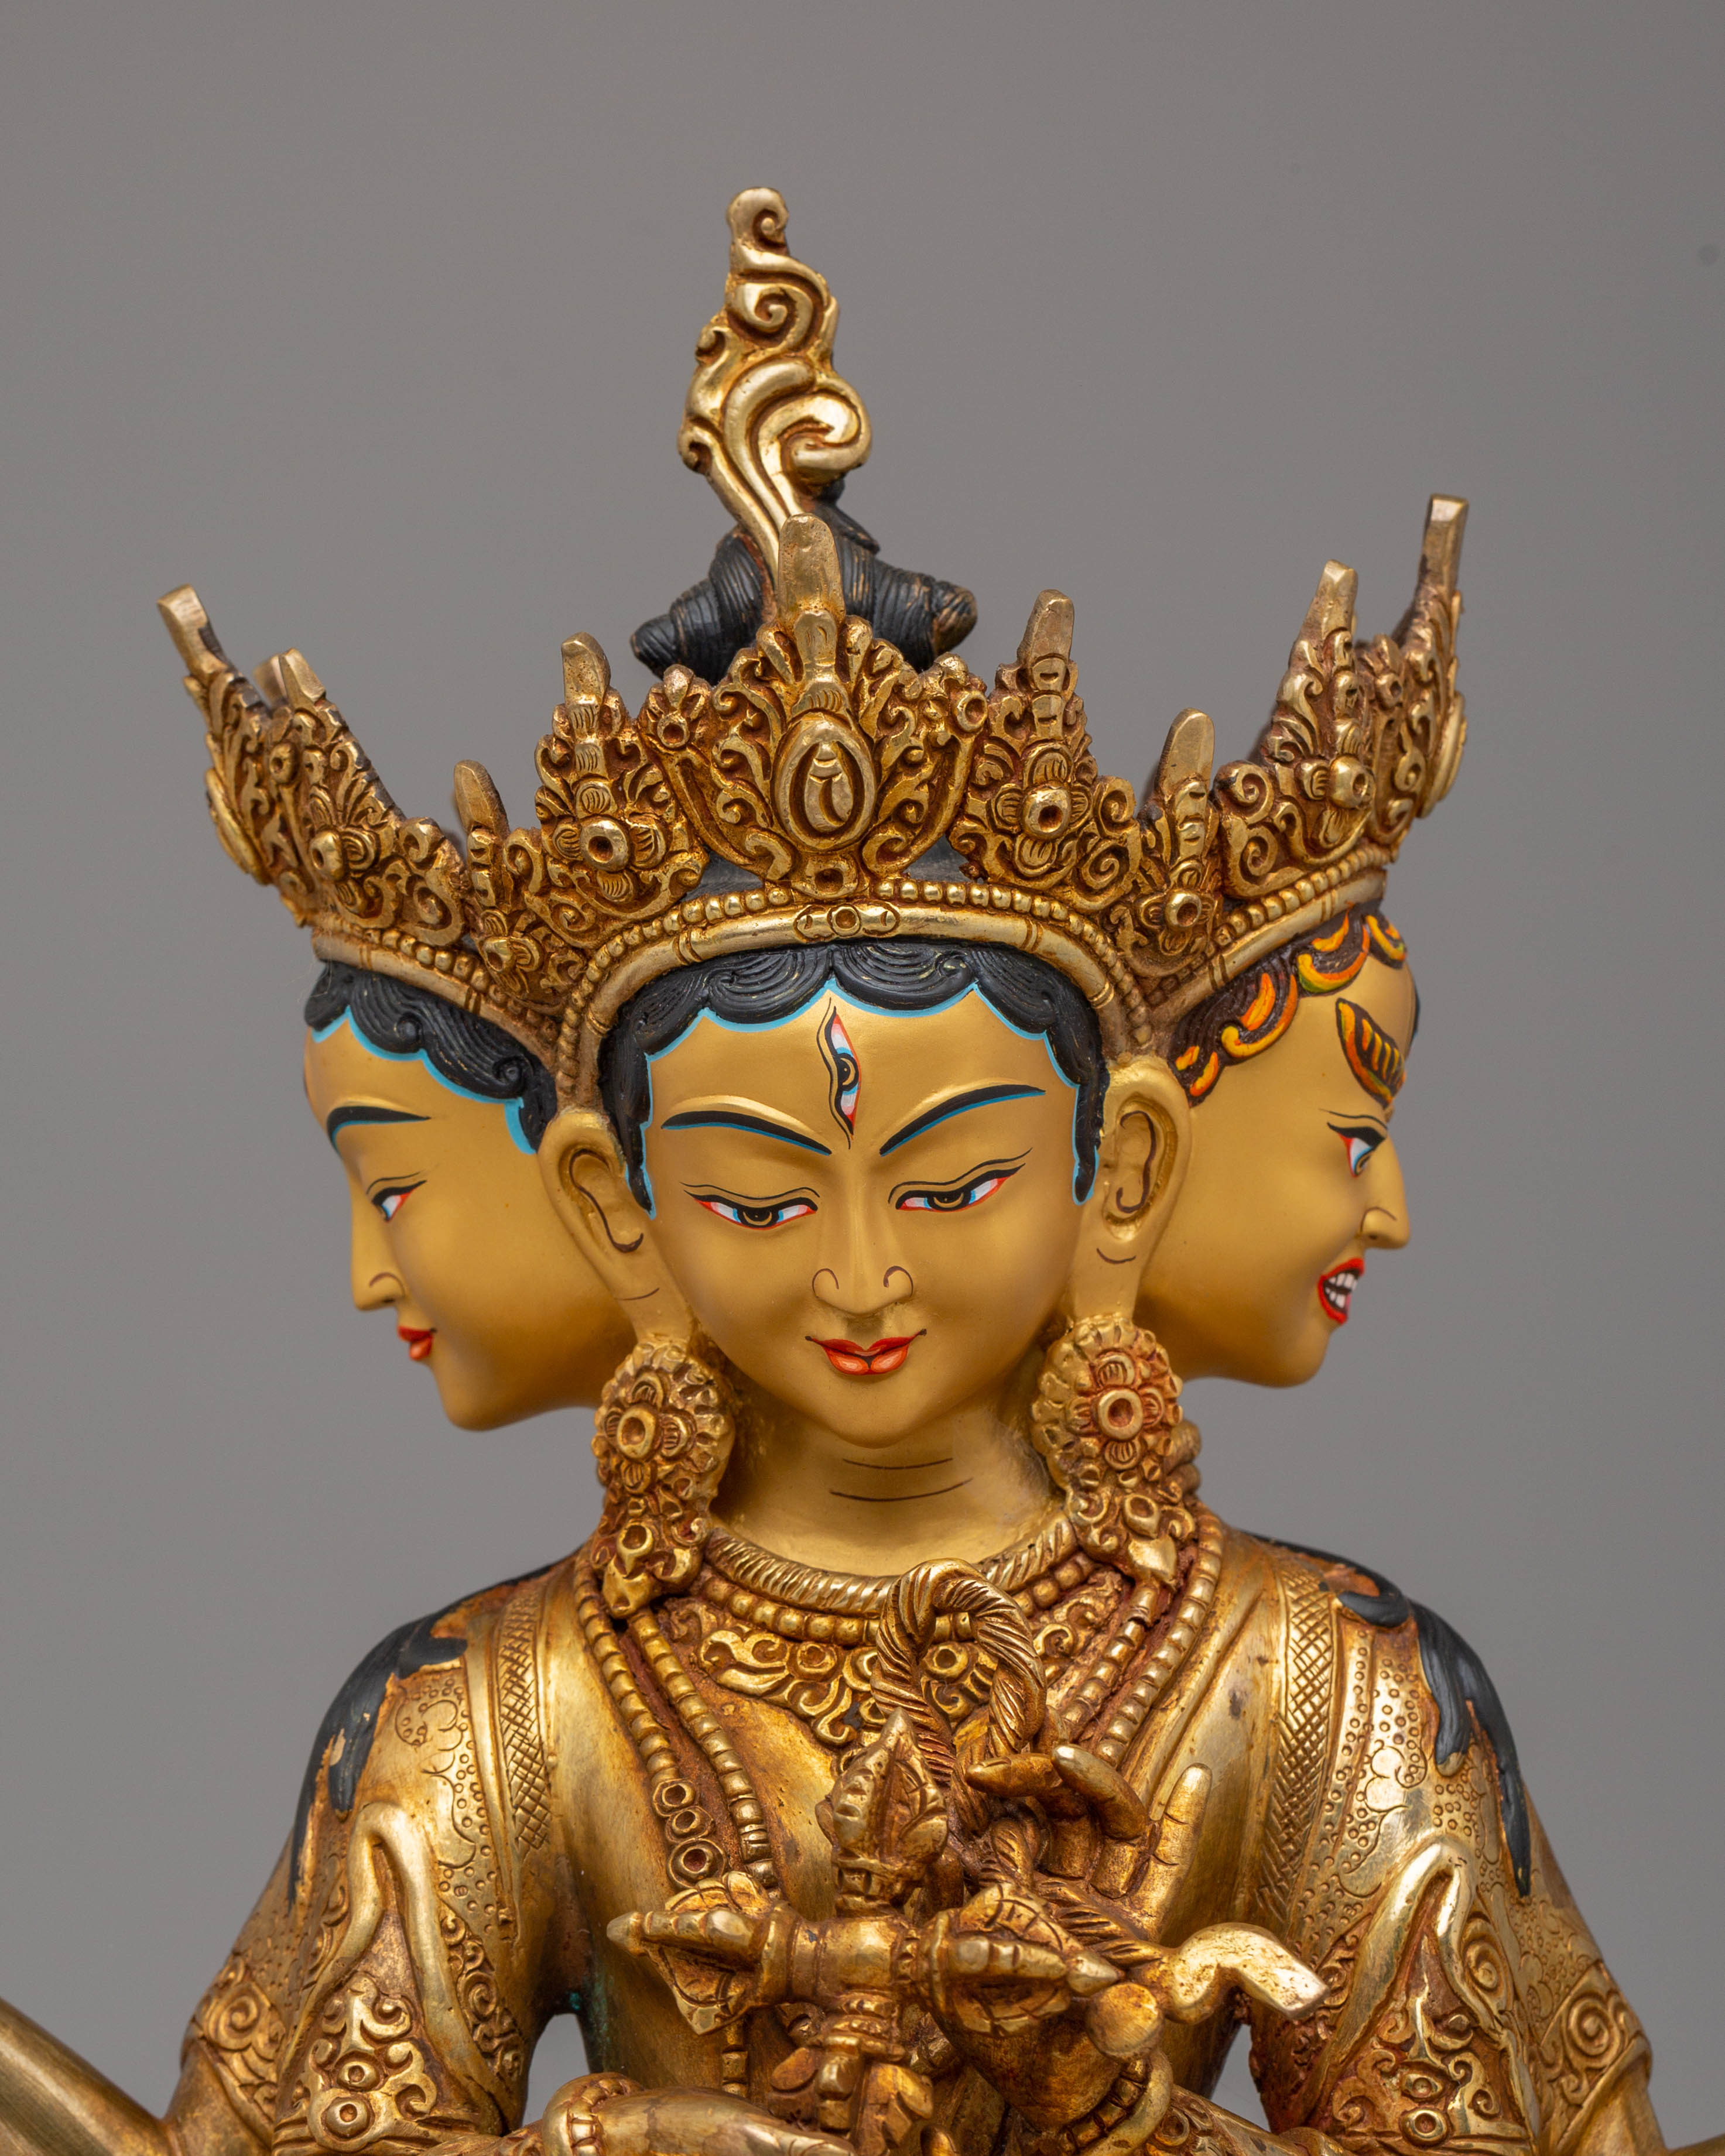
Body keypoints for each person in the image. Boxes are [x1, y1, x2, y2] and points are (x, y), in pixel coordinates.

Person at [3, 192, 1707, 2156]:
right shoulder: (493, 1709)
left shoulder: (1327, 1682)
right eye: (755, 1199)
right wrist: (630, 2144)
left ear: (1117, 1167)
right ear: (618, 1206)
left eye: (955, 1180)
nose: (861, 1272)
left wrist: (1130, 2113)